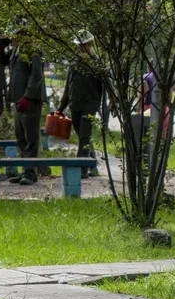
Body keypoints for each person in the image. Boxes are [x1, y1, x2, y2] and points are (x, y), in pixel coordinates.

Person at [56, 29, 106, 179]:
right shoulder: (74, 64)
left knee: (84, 136)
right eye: (79, 46)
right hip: (75, 105)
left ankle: (80, 169)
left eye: (84, 45)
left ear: (90, 44)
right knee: (83, 137)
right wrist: (61, 108)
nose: (82, 48)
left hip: (90, 105)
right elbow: (68, 87)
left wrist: (110, 105)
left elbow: (106, 85)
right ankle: (92, 165)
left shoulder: (97, 63)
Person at [7, 24, 45, 185]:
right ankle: (26, 171)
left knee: (31, 138)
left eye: (14, 35)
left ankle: (29, 173)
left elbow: (37, 76)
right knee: (20, 137)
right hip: (18, 99)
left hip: (29, 100)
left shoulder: (32, 50)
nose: (11, 38)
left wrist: (28, 96)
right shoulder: (16, 50)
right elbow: (3, 62)